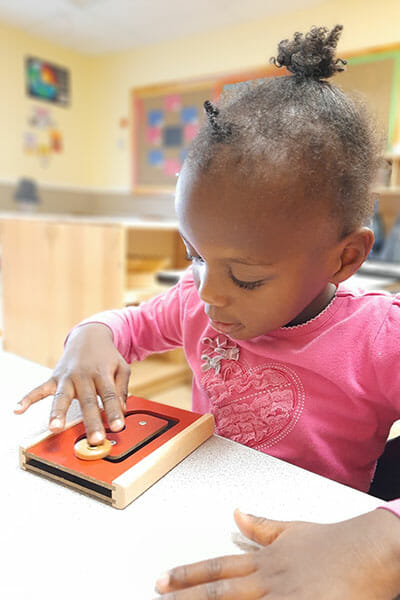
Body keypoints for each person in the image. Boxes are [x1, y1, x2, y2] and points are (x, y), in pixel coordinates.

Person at [15, 25, 400, 598]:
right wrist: (90, 335)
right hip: (199, 513)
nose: (209, 292)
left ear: (343, 259)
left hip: (318, 545)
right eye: (194, 255)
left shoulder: (379, 336)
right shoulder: (198, 303)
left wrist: (381, 545)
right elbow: (126, 324)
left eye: (246, 277)